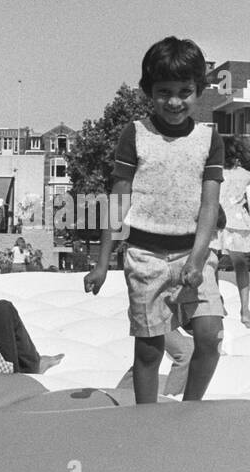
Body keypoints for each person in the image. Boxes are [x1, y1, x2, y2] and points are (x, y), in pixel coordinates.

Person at [83, 35, 226, 404]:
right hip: (145, 254)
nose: (174, 101)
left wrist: (197, 259)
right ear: (149, 90)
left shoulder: (209, 139)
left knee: (209, 335)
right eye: (164, 91)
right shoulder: (136, 134)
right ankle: (146, 418)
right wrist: (101, 263)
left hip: (193, 251)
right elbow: (117, 199)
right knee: (149, 349)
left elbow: (209, 205)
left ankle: (191, 408)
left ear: (199, 90)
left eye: (185, 91)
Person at [210, 135, 250, 328]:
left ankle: (217, 300)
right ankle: (245, 311)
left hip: (215, 220)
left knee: (212, 263)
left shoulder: (212, 172)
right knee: (241, 264)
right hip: (236, 221)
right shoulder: (246, 174)